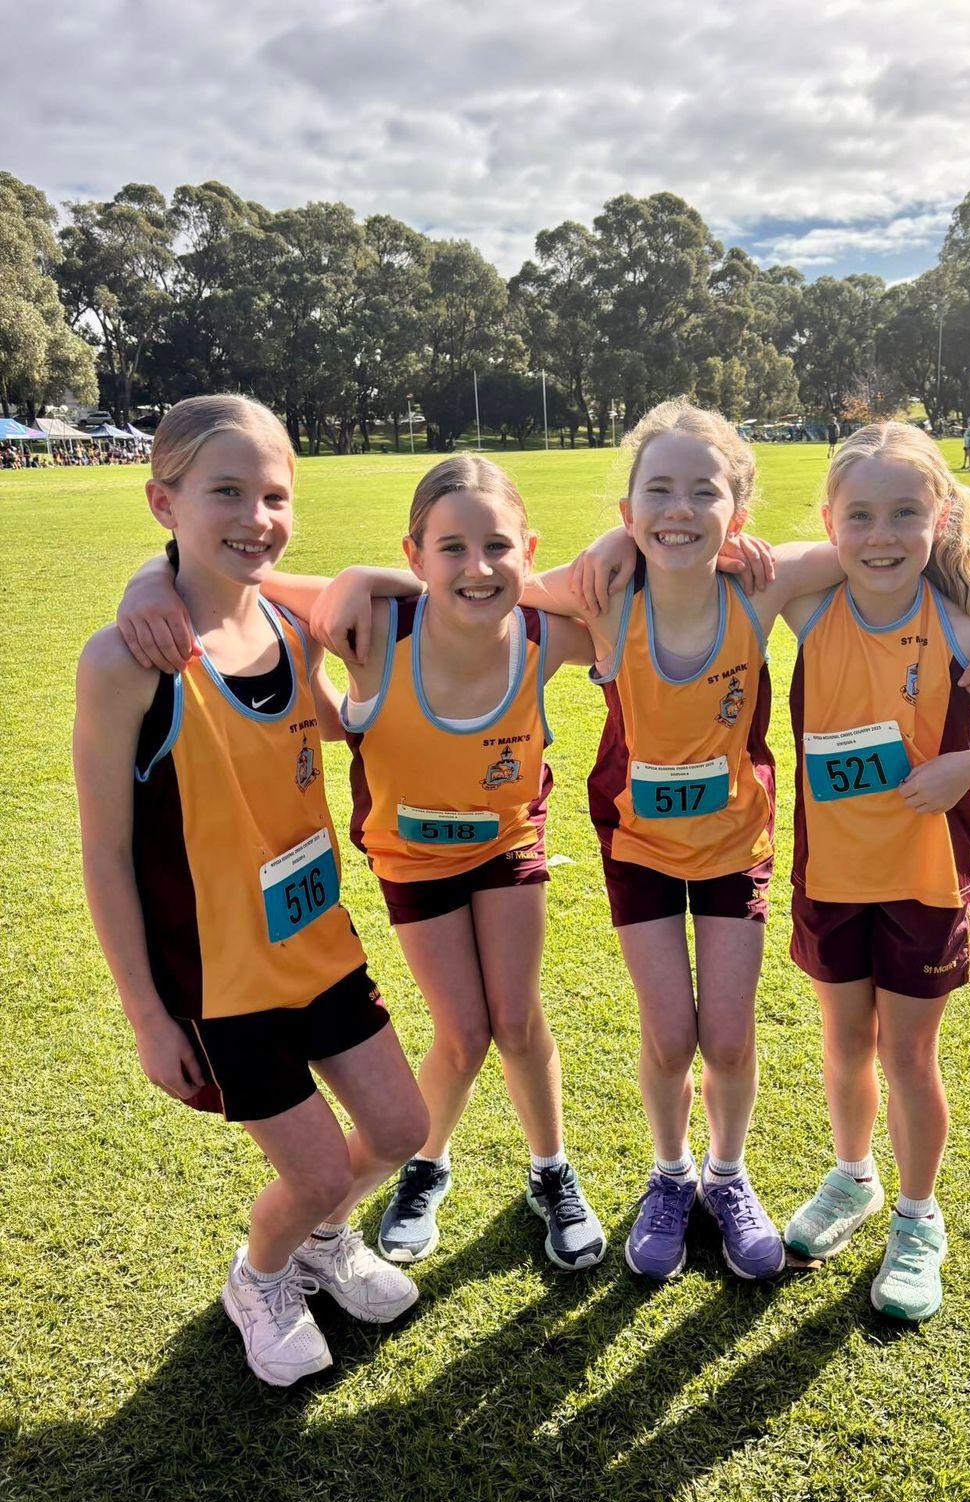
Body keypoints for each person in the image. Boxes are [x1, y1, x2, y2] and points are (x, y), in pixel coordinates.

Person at [558, 402, 970, 1284]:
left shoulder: (762, 584)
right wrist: (613, 544)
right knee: (669, 1037)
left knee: (731, 1039)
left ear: (738, 514)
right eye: (657, 491)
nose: (679, 508)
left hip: (737, 844)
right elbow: (493, 593)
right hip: (640, 849)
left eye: (703, 492)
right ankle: (671, 1176)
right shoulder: (607, 593)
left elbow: (881, 552)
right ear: (629, 505)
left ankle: (728, 1176)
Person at [118, 455, 610, 1274]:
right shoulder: (377, 628)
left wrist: (621, 548)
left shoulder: (543, 635)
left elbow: (632, 598)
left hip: (507, 847)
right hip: (413, 862)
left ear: (528, 550)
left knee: (518, 1021)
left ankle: (551, 1171)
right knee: (463, 1034)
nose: (478, 566)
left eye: (498, 546)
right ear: (415, 555)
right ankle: (426, 1166)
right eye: (450, 548)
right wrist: (149, 580)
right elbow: (238, 578)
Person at [77, 395, 429, 1387]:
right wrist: (148, 1018)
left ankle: (321, 1245)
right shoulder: (127, 662)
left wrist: (359, 579)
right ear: (164, 501)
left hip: (320, 947)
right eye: (225, 492)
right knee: (313, 1172)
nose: (256, 517)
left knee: (401, 1131)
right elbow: (105, 853)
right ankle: (261, 1277)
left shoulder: (291, 620)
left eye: (275, 495)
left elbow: (429, 590)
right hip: (221, 979)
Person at [779, 422, 970, 1320]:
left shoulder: (960, 627)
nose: (882, 536)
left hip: (924, 881)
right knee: (844, 1044)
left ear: (939, 517)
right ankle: (853, 1177)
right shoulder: (810, 606)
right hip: (829, 878)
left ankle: (917, 1220)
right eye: (860, 516)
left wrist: (965, 768)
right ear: (830, 522)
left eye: (906, 513)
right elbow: (732, 554)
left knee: (907, 1056)